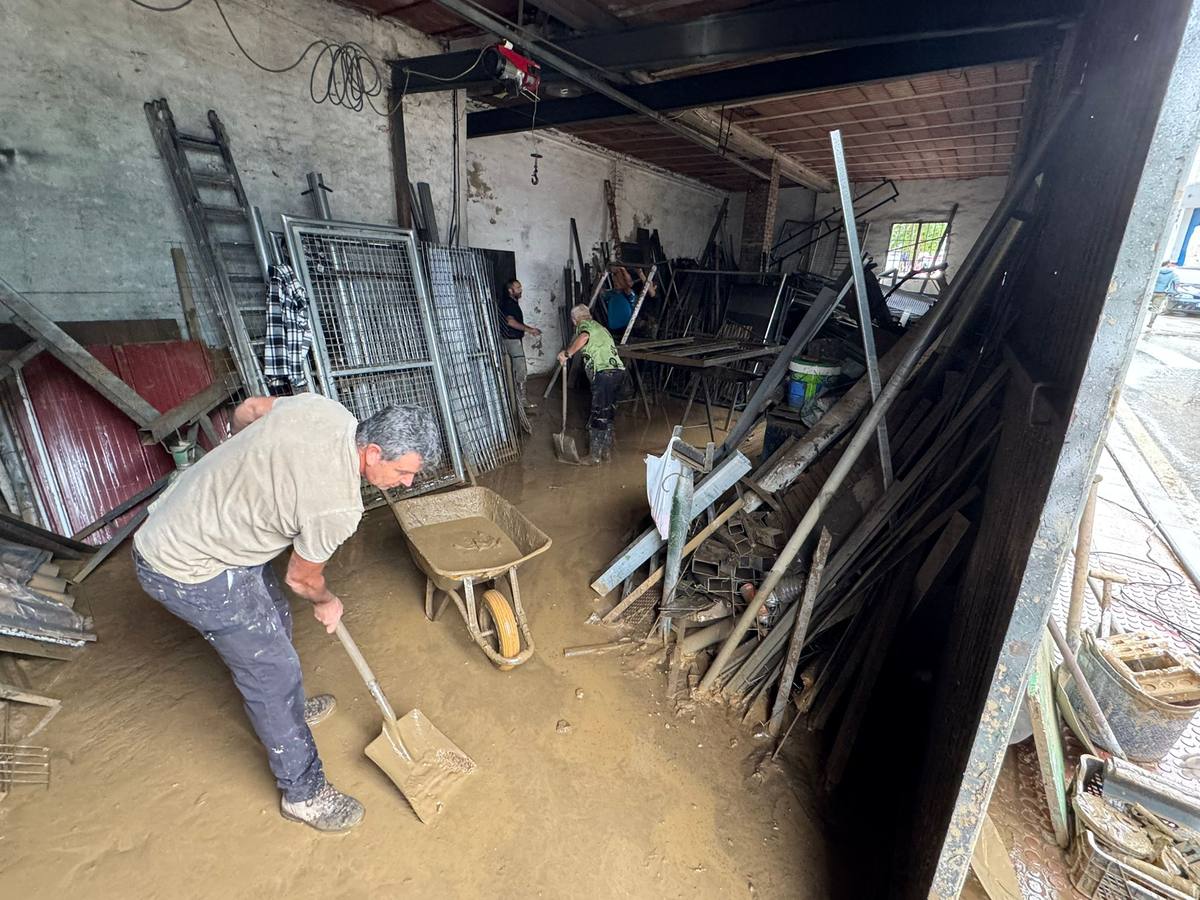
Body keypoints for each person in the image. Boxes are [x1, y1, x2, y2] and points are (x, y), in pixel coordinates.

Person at [132, 395, 440, 834]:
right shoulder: (338, 506)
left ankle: (289, 708)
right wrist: (327, 601)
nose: (408, 483)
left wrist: (246, 463)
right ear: (373, 453)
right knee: (272, 672)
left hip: (200, 521)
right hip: (185, 566)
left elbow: (251, 409)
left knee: (272, 613)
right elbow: (302, 579)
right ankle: (304, 795)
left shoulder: (325, 410)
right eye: (403, 472)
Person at [557, 304, 625, 464]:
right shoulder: (601, 328)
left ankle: (594, 457)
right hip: (618, 373)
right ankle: (606, 453)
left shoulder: (585, 326)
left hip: (604, 373)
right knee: (607, 414)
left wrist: (567, 354)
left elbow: (584, 337)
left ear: (575, 320)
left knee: (598, 414)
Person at [498, 278, 541, 431]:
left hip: (512, 339)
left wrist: (529, 329)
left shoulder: (511, 303)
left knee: (516, 369)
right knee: (520, 369)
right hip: (511, 340)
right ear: (510, 290)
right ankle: (521, 400)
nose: (520, 289)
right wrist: (530, 330)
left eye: (520, 286)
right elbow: (510, 322)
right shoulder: (509, 304)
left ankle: (518, 398)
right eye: (517, 287)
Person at [602, 266, 656, 336]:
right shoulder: (611, 294)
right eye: (614, 281)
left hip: (627, 329)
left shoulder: (630, 294)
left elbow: (627, 286)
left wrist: (622, 269)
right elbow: (600, 292)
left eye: (617, 281)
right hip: (615, 329)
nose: (615, 283)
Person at [1149, 260, 1179, 329]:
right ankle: (1151, 322)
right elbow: (1176, 283)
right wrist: (1171, 290)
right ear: (1168, 265)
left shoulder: (1156, 271)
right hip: (1162, 293)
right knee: (1155, 308)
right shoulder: (1173, 274)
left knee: (1144, 306)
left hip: (1151, 291)